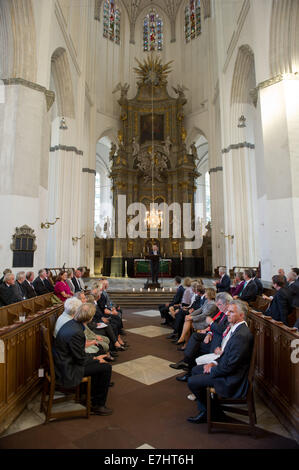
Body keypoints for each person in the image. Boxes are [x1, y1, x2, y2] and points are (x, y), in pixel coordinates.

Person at [186, 300, 254, 424]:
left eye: (231, 312)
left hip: (231, 379)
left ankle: (214, 412)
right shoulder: (237, 329)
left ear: (241, 315)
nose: (227, 313)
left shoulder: (241, 335)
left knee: (192, 382)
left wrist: (213, 369)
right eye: (228, 311)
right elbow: (227, 356)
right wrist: (214, 363)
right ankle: (207, 410)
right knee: (195, 370)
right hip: (227, 370)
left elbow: (231, 366)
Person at [52, 302, 113, 415]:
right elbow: (80, 360)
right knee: (106, 368)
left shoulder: (72, 323)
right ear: (89, 318)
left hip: (66, 361)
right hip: (67, 369)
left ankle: (90, 395)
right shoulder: (77, 332)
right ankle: (98, 405)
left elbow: (78, 354)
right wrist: (95, 359)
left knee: (100, 364)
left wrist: (95, 357)